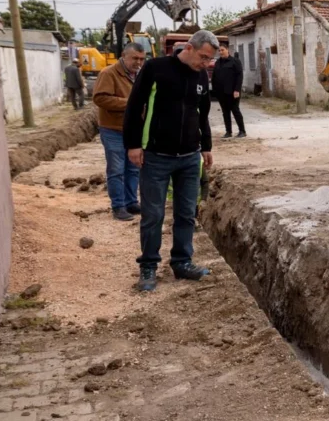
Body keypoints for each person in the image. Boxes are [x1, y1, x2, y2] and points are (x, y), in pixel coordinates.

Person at [123, 30, 217, 292]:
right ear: (189, 48)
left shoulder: (200, 77)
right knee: (152, 215)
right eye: (203, 57)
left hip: (189, 158)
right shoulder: (155, 68)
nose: (206, 64)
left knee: (187, 213)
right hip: (156, 156)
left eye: (210, 60)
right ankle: (149, 266)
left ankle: (182, 262)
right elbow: (134, 106)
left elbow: (203, 114)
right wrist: (132, 144)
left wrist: (206, 146)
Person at [93, 43, 146, 221]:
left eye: (141, 59)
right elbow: (100, 98)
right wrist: (131, 103)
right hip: (113, 130)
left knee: (133, 168)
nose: (138, 62)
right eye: (135, 58)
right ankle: (118, 206)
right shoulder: (108, 73)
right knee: (116, 170)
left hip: (134, 130)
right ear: (124, 55)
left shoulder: (140, 75)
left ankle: (131, 202)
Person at [211, 44, 246, 138]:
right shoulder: (218, 62)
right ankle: (228, 131)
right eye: (219, 50)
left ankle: (242, 131)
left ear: (227, 50)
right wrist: (215, 90)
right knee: (225, 112)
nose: (220, 52)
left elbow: (239, 76)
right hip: (221, 92)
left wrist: (237, 90)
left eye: (222, 50)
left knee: (235, 110)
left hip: (232, 92)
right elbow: (214, 76)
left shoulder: (235, 61)